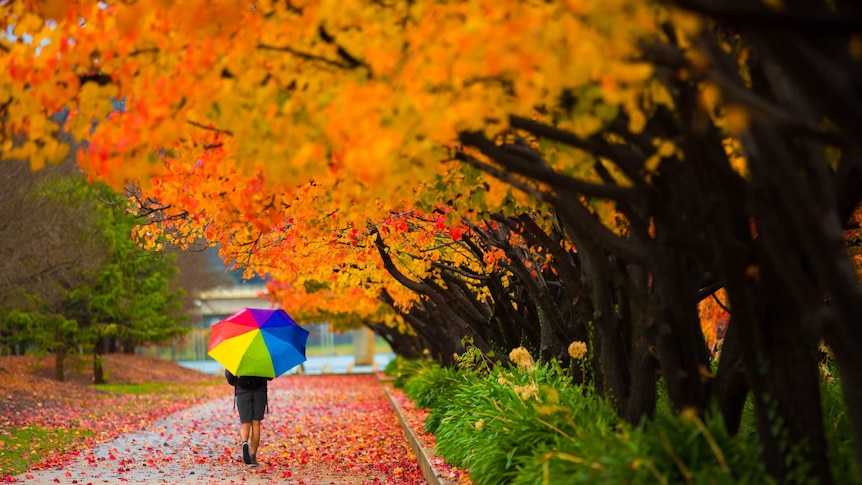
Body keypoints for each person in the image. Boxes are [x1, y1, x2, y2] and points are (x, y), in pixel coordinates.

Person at [224, 369, 272, 467]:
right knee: (256, 424)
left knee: (245, 423)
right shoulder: (262, 357)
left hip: (242, 392)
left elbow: (229, 374)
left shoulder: (238, 356)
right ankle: (253, 457)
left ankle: (244, 442)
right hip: (260, 391)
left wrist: (236, 381)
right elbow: (270, 376)